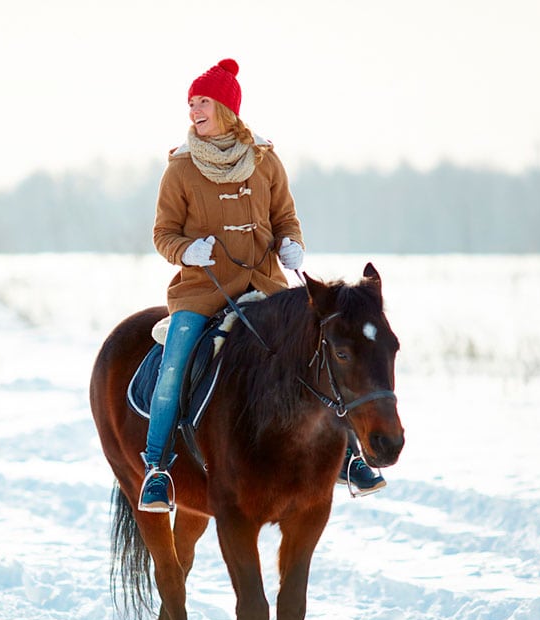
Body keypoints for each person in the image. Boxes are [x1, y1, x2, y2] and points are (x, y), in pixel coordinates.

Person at [140, 58, 384, 512]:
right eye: (191, 102)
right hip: (203, 292)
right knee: (173, 365)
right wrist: (186, 251)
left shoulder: (265, 162)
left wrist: (292, 243)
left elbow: (285, 218)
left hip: (267, 286)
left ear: (227, 109)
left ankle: (350, 458)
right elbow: (163, 234)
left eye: (203, 102)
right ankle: (157, 469)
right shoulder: (180, 169)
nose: (194, 110)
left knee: (323, 352)